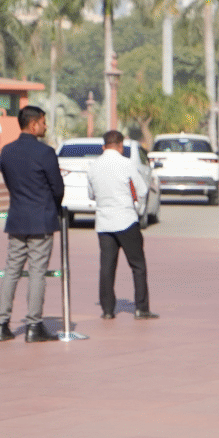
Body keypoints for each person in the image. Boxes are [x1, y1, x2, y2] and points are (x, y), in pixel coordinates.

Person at [0, 105, 62, 343]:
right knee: (36, 273)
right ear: (34, 124)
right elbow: (57, 188)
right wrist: (51, 206)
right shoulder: (45, 153)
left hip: (17, 217)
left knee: (11, 271)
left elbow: (9, 182)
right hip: (41, 218)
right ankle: (34, 325)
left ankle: (2, 324)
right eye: (43, 122)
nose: (45, 126)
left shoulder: (7, 151)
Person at [86, 130, 157, 321]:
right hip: (126, 220)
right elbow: (141, 191)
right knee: (138, 265)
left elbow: (91, 195)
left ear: (103, 146)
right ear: (121, 146)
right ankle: (142, 309)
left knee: (107, 268)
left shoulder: (93, 167)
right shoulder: (127, 164)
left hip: (104, 223)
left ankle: (108, 310)